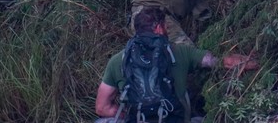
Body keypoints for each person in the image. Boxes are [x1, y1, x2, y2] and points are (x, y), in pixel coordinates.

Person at [95, 7, 256, 123]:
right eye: (166, 26)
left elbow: (101, 107)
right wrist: (258, 63)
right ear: (158, 28)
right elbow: (223, 61)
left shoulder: (118, 60)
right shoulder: (179, 51)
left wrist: (129, 115)